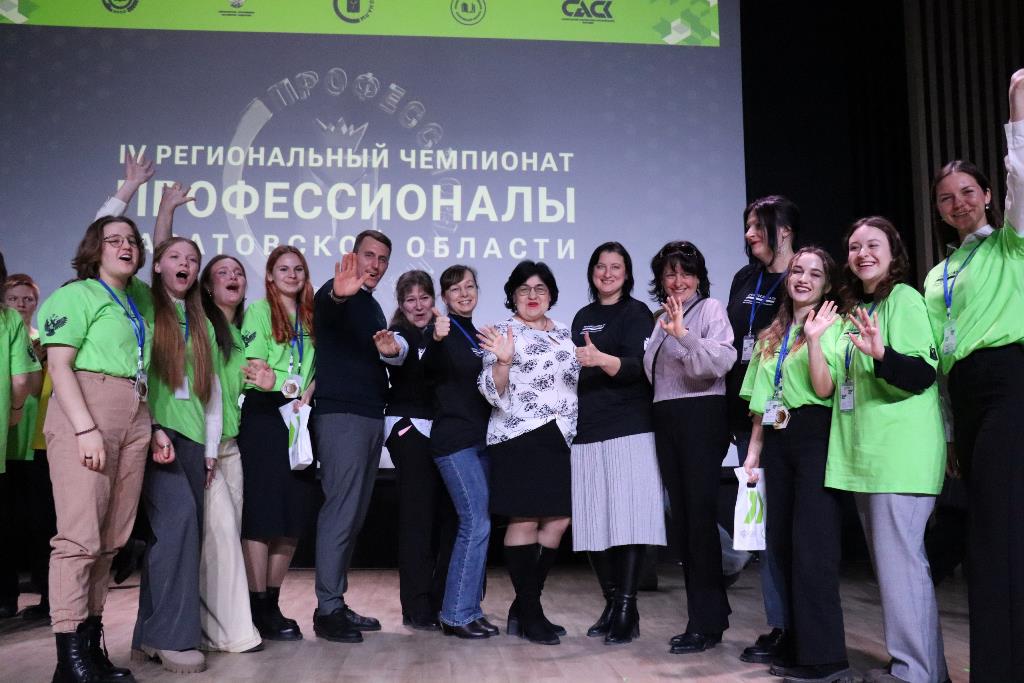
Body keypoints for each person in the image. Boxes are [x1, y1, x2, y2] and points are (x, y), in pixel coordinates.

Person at [921, 69, 1024, 683]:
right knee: (986, 533)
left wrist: (1016, 114)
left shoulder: (1012, 243)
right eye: (946, 197)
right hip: (965, 395)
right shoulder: (937, 276)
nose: (958, 203)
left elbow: (1022, 178)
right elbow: (939, 363)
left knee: (997, 530)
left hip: (1011, 381)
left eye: (967, 191)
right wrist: (950, 433)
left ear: (987, 195)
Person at [814, 217, 947, 683]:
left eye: (873, 245)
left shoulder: (904, 299)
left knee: (902, 571)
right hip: (867, 459)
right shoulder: (858, 309)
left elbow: (922, 374)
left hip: (899, 458)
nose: (862, 253)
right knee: (895, 574)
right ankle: (923, 669)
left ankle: (914, 672)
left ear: (894, 253)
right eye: (854, 247)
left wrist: (883, 354)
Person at [38, 218, 149, 682]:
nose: (126, 246)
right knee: (79, 538)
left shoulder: (133, 300)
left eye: (132, 241)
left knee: (110, 540)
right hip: (88, 410)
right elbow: (59, 366)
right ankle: (69, 659)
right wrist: (85, 429)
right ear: (94, 249)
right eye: (114, 240)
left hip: (134, 411)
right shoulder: (77, 294)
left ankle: (90, 644)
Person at [739, 247, 853, 683]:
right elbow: (760, 402)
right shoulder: (772, 333)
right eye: (797, 271)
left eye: (815, 273)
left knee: (813, 549)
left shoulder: (834, 324)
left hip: (815, 436)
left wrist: (817, 339)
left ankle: (827, 658)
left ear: (828, 284)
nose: (803, 279)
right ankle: (798, 643)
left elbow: (824, 389)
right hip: (777, 439)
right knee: (782, 547)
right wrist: (754, 451)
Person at [477, 260, 580, 646]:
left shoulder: (566, 333)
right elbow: (491, 390)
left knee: (558, 520)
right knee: (524, 520)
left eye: (540, 289)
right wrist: (503, 361)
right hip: (517, 434)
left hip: (559, 435)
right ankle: (531, 614)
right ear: (513, 296)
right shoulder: (502, 332)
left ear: (551, 294)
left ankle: (524, 607)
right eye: (524, 290)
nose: (532, 296)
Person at [311, 230, 407, 642]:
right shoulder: (335, 292)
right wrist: (338, 293)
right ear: (354, 256)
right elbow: (328, 308)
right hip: (342, 416)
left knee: (354, 515)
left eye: (383, 259)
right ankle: (327, 610)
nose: (376, 265)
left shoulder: (372, 306)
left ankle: (336, 600)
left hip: (369, 415)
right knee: (341, 512)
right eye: (369, 255)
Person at [131, 236, 221, 675]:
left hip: (192, 440)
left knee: (174, 536)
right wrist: (153, 427)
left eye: (192, 259)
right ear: (157, 265)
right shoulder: (146, 304)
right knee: (178, 522)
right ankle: (171, 637)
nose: (184, 264)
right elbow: (106, 245)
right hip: (155, 434)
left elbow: (212, 392)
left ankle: (148, 633)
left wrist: (210, 449)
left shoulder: (201, 321)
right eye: (174, 257)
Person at [642, 241, 736, 655]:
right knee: (683, 522)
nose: (678, 280)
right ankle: (709, 613)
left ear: (699, 278)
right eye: (670, 273)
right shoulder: (660, 317)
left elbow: (718, 363)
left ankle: (705, 622)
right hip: (667, 418)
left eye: (686, 272)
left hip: (701, 416)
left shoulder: (710, 309)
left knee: (698, 522)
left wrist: (683, 335)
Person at [570, 242, 665, 645]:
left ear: (627, 274)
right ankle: (612, 604)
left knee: (628, 521)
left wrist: (601, 360)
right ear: (592, 272)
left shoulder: (637, 313)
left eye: (616, 267)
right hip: (588, 427)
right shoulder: (583, 316)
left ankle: (627, 608)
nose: (607, 274)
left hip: (630, 426)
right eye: (601, 266)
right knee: (593, 522)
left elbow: (642, 368)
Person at [726, 196, 799, 663]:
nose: (750, 233)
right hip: (744, 412)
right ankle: (780, 622)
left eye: (759, 226)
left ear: (785, 230)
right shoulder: (744, 278)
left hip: (786, 414)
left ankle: (793, 625)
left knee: (786, 527)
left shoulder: (802, 275)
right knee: (764, 525)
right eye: (748, 225)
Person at [238, 246, 318, 642]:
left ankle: (272, 602)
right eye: (283, 268)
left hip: (299, 417)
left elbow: (318, 368)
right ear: (269, 275)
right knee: (262, 514)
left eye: (298, 268)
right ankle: (256, 606)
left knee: (291, 516)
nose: (291, 274)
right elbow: (255, 368)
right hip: (265, 417)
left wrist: (307, 393)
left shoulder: (312, 315)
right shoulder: (258, 311)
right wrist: (285, 388)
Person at [422, 265, 495, 638]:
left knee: (480, 523)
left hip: (481, 441)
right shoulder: (442, 330)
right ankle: (455, 614)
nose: (464, 293)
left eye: (469, 286)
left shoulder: (478, 335)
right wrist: (436, 339)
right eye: (455, 289)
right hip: (454, 442)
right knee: (475, 522)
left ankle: (470, 609)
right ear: (445, 297)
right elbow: (427, 371)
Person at [383, 270, 456, 631]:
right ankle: (415, 607)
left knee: (444, 518)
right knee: (417, 520)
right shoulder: (399, 334)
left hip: (440, 432)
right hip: (409, 428)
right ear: (401, 304)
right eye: (410, 300)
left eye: (424, 298)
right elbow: (397, 352)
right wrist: (391, 351)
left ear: (434, 299)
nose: (418, 306)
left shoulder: (442, 331)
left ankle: (441, 601)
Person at [197, 255, 262, 653]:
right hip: (207, 447)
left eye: (238, 272)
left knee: (224, 539)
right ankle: (233, 634)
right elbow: (205, 391)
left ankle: (211, 629)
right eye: (223, 272)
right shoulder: (202, 326)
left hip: (231, 446)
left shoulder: (239, 333)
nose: (233, 277)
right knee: (220, 539)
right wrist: (206, 448)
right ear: (207, 286)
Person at [1, 273, 51, 620]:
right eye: (14, 298)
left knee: (40, 524)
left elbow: (34, 387)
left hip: (36, 443)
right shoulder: (6, 331)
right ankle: (6, 596)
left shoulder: (45, 340)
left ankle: (47, 595)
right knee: (6, 524)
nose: (21, 304)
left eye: (28, 298)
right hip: (6, 444)